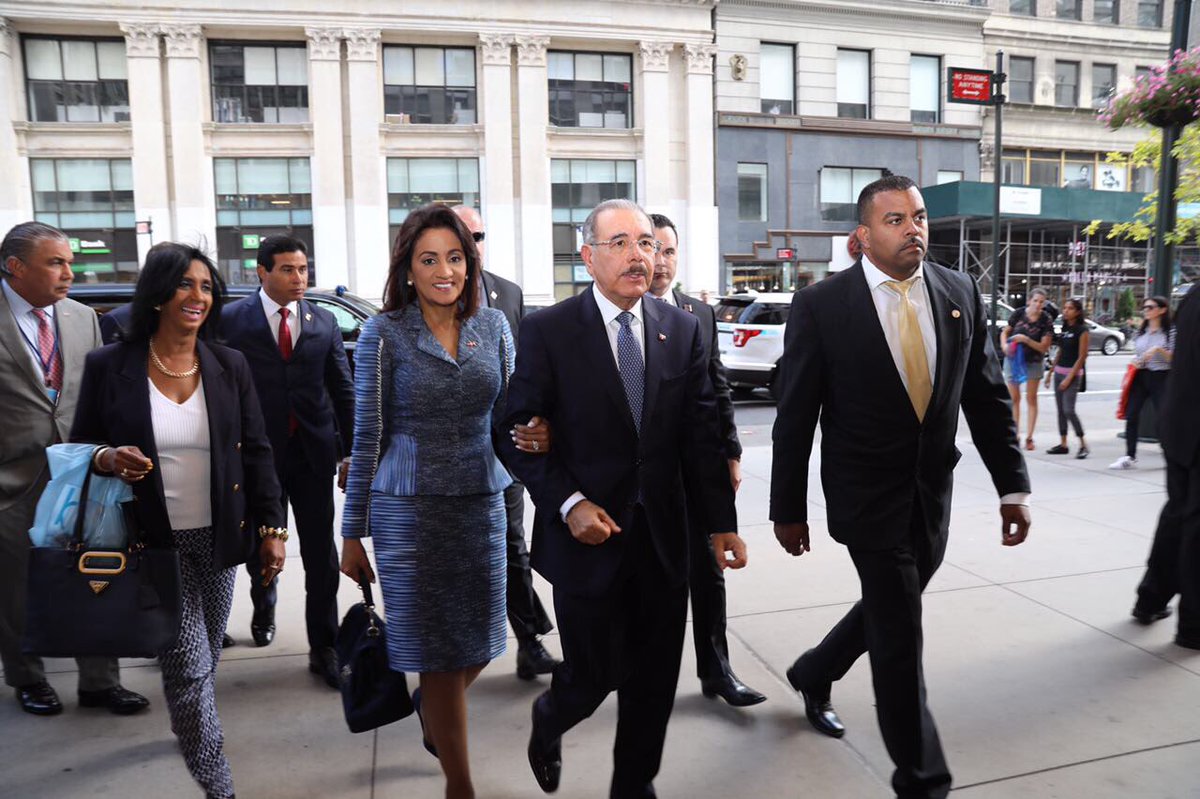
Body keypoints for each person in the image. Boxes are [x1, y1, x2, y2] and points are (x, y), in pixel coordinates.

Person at [771, 175, 1031, 799]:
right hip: (866, 500)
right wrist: (787, 508)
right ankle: (923, 780)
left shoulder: (958, 290)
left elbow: (986, 398)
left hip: (932, 495)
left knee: (894, 607)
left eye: (918, 216)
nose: (913, 228)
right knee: (899, 637)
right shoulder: (822, 306)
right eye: (895, 220)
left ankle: (815, 669)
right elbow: (796, 415)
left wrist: (1012, 487)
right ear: (862, 236)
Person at [499, 198, 748, 797]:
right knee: (591, 678)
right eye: (621, 244)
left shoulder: (681, 328)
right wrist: (569, 502)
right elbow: (512, 432)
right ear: (588, 257)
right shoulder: (549, 330)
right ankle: (550, 718)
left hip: (664, 539)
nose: (640, 256)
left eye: (647, 243)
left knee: (654, 679)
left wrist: (721, 522)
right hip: (587, 542)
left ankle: (634, 785)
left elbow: (701, 434)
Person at [70, 241, 286, 799]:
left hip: (220, 538)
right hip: (151, 544)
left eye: (207, 286)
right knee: (187, 666)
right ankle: (218, 782)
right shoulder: (110, 365)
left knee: (204, 656)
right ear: (158, 293)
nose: (198, 296)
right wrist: (107, 457)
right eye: (186, 284)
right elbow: (81, 446)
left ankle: (191, 725)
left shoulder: (228, 364)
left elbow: (257, 450)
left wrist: (272, 530)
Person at [339, 204, 541, 799]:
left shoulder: (494, 326)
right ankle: (460, 785)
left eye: (455, 258)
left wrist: (538, 434)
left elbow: (511, 412)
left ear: (470, 264)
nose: (444, 271)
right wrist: (351, 533)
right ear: (408, 268)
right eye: (429, 259)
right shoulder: (383, 333)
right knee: (436, 653)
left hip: (482, 502)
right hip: (409, 512)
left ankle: (433, 708)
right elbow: (368, 437)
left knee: (482, 640)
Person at [0, 221, 149, 717]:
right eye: (55, 263)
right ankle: (27, 677)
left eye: (69, 262)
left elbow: (100, 394)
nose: (69, 273)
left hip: (85, 471)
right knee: (16, 589)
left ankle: (101, 683)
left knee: (95, 576)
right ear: (15, 267)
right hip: (12, 480)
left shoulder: (84, 318)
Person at [218, 235, 354, 685]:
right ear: (262, 272)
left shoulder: (323, 320)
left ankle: (325, 645)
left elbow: (342, 388)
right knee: (264, 545)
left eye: (303, 269)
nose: (299, 278)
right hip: (259, 457)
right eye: (288, 270)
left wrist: (353, 452)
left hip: (312, 454)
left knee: (321, 555)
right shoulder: (231, 320)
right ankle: (264, 607)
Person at [645, 212, 764, 707]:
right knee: (653, 578)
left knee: (709, 569)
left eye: (670, 251)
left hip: (697, 468)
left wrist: (730, 453)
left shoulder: (699, 313)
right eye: (654, 249)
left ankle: (717, 671)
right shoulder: (620, 313)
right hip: (644, 475)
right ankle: (647, 678)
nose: (661, 262)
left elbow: (718, 388)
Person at [451, 205, 558, 681]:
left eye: (478, 235)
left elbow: (525, 372)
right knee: (463, 556)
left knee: (513, 545)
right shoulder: (426, 293)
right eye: (462, 235)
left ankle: (529, 641)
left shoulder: (507, 293)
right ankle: (456, 653)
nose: (471, 244)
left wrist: (536, 424)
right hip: (449, 454)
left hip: (504, 450)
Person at [1132, 288, 1200, 648]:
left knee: (1178, 514)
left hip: (1178, 422)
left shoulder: (1193, 296)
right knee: (1193, 524)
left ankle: (1151, 598)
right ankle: (1193, 624)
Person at [1110, 295, 1175, 469]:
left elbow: (1174, 358)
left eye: (1150, 307)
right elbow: (1138, 353)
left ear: (1162, 310)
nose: (1146, 310)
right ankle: (1129, 456)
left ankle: (1171, 455)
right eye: (1144, 307)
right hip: (1140, 376)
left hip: (1161, 376)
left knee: (1163, 418)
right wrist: (1136, 361)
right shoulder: (1142, 331)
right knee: (1132, 415)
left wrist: (1158, 349)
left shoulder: (1170, 331)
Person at [1000, 288, 1053, 451]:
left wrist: (1026, 340)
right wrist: (1004, 346)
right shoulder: (1018, 313)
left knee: (1031, 398)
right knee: (1014, 398)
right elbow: (1005, 332)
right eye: (1035, 300)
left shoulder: (1046, 319)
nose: (1038, 304)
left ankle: (1029, 437)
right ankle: (1015, 434)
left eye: (1041, 302)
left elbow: (1044, 347)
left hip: (1034, 361)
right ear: (1029, 301)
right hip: (1014, 359)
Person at [1044, 298, 1090, 459]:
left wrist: (1069, 378)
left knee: (1069, 410)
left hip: (1073, 375)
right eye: (1065, 308)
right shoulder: (1064, 328)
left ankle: (1083, 444)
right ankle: (1063, 444)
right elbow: (1060, 352)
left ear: (1077, 312)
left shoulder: (1082, 330)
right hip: (1059, 372)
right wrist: (1050, 373)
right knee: (1061, 411)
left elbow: (1082, 356)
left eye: (1070, 308)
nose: (1066, 311)